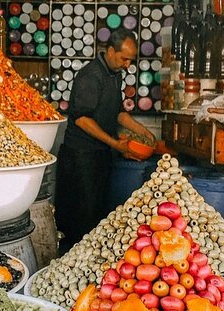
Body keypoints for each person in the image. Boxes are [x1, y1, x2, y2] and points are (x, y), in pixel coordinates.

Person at [55, 29, 156, 253]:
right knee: (80, 221)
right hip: (80, 158)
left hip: (100, 156)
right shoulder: (91, 76)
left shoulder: (114, 74)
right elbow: (82, 119)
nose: (128, 64)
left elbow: (119, 113)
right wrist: (116, 144)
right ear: (110, 51)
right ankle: (72, 266)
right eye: (124, 58)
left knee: (98, 216)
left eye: (131, 59)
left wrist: (145, 132)